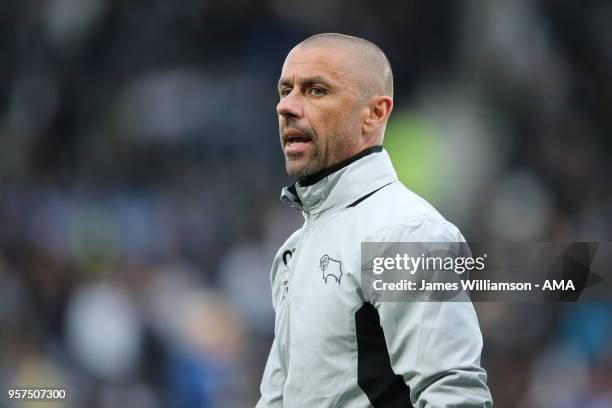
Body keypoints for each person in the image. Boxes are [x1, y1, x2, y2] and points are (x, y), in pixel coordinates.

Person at [256, 33, 492, 407]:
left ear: (376, 112)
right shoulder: (294, 249)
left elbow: (454, 395)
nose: (287, 107)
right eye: (285, 90)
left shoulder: (405, 234)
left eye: (316, 90)